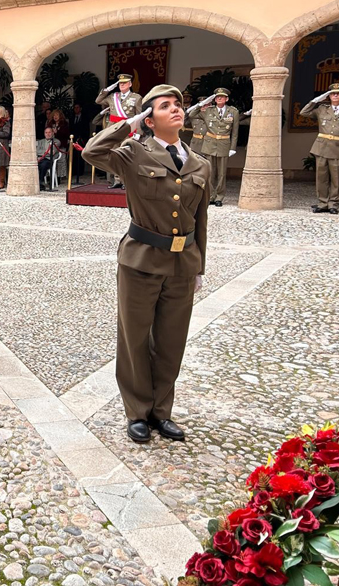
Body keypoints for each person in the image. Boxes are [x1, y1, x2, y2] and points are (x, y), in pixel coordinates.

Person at [83, 84, 210, 444]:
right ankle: (137, 412)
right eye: (165, 106)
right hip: (140, 259)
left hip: (182, 263)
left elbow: (201, 218)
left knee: (171, 342)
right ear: (150, 120)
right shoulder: (134, 153)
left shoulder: (200, 163)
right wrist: (129, 123)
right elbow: (93, 151)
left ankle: (161, 412)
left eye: (177, 105)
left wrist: (199, 264)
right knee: (135, 339)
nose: (175, 110)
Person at [300, 83, 339, 214]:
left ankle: (334, 203)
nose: (335, 95)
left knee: (337, 178)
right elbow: (304, 112)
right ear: (328, 96)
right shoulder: (322, 109)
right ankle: (323, 202)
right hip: (321, 148)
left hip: (338, 148)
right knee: (321, 177)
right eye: (332, 93)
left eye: (338, 93)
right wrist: (315, 100)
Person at [185, 88, 239, 206]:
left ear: (226, 99)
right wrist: (201, 105)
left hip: (224, 144)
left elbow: (235, 131)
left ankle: (219, 197)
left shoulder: (232, 111)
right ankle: (211, 196)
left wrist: (232, 147)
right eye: (217, 97)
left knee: (221, 173)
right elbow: (192, 114)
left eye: (222, 97)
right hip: (209, 144)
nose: (219, 98)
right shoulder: (208, 110)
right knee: (210, 171)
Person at [96, 73, 144, 188]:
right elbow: (98, 100)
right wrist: (107, 89)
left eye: (125, 83)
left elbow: (140, 116)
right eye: (120, 83)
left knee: (126, 155)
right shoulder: (113, 96)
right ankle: (117, 180)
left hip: (127, 130)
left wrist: (138, 133)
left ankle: (126, 180)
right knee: (114, 154)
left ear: (130, 84)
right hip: (113, 129)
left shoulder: (136, 98)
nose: (122, 85)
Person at [37, 125, 62, 189]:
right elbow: (36, 151)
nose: (48, 134)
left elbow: (52, 152)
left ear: (53, 133)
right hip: (40, 158)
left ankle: (40, 182)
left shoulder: (57, 141)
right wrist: (46, 151)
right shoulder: (41, 141)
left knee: (43, 165)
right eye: (46, 132)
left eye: (49, 132)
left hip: (49, 160)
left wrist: (42, 152)